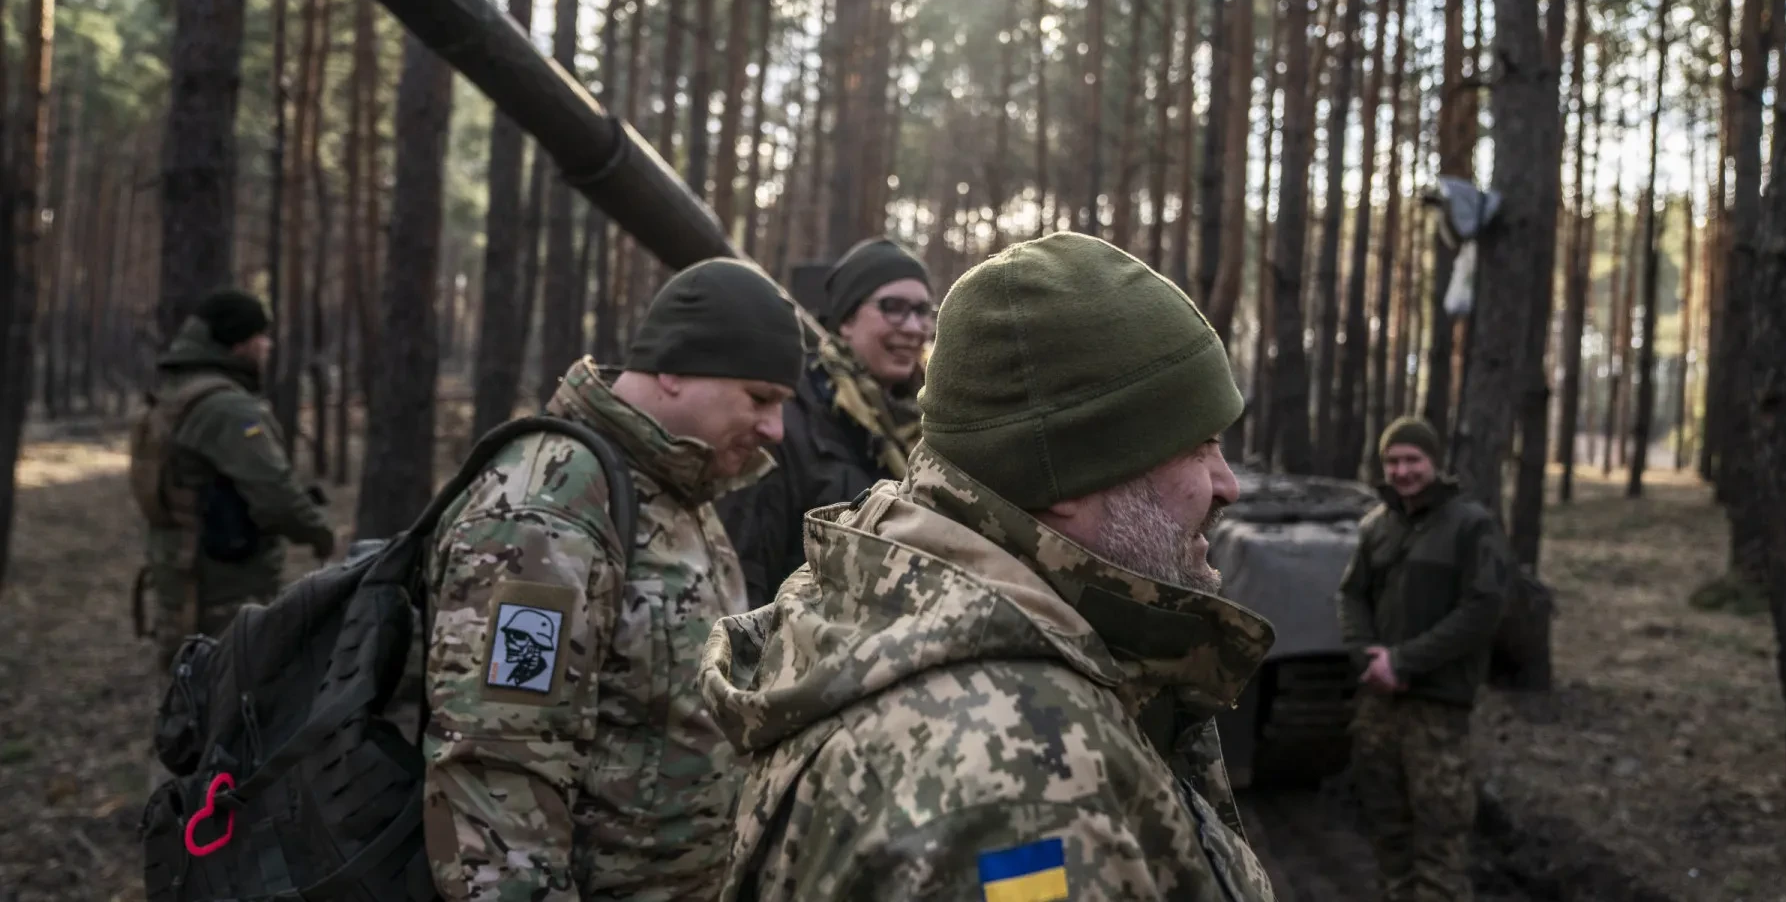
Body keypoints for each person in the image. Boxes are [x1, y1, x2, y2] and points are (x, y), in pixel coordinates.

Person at [699, 232, 1279, 901]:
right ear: (1070, 472)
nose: (1228, 485)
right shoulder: (1023, 784)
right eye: (1198, 446)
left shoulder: (899, 581)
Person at [423, 258, 805, 902]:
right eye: (760, 398)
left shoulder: (675, 488)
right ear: (673, 369)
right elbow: (496, 782)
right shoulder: (548, 510)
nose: (776, 429)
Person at [1338, 416, 1512, 902]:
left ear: (1434, 462)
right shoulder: (1376, 526)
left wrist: (1404, 661)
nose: (1402, 470)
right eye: (1392, 461)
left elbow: (1483, 609)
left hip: (1437, 708)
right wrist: (1367, 657)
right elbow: (1351, 595)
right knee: (1388, 828)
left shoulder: (1471, 526)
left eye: (1412, 459)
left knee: (1440, 836)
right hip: (1378, 704)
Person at [717, 236, 935, 607]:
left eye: (923, 311)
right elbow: (745, 570)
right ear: (846, 320)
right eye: (894, 308)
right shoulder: (786, 421)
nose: (914, 327)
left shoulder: (930, 425)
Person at [131, 289, 335, 673]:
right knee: (230, 695)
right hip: (224, 588)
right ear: (240, 344)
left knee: (188, 691)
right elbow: (275, 494)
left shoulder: (176, 392)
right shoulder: (227, 408)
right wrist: (320, 532)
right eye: (262, 337)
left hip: (180, 578)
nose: (268, 346)